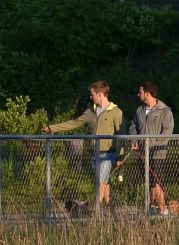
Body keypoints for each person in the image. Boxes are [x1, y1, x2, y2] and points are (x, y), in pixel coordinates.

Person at [44, 81, 124, 209]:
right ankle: (113, 215)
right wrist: (53, 128)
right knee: (104, 185)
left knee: (100, 184)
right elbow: (74, 123)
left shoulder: (116, 112)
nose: (90, 97)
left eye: (92, 94)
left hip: (108, 154)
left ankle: (94, 212)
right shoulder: (90, 112)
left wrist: (120, 156)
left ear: (99, 94)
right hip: (94, 155)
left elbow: (121, 135)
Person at [129, 81, 175, 214]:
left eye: (140, 92)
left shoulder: (165, 111)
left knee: (154, 182)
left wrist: (152, 143)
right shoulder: (139, 110)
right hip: (142, 153)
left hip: (157, 153)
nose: (138, 94)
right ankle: (152, 210)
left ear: (147, 94)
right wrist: (134, 139)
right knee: (150, 183)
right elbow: (133, 126)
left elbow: (167, 132)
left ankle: (161, 210)